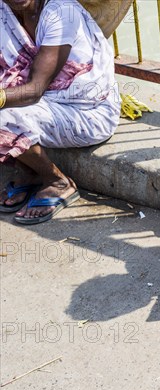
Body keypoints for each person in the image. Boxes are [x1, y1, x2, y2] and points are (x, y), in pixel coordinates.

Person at [0, 0, 120, 224]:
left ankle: (57, 182)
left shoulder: (62, 12)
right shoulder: (5, 12)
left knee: (1, 118)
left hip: (85, 112)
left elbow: (35, 89)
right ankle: (30, 172)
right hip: (41, 106)